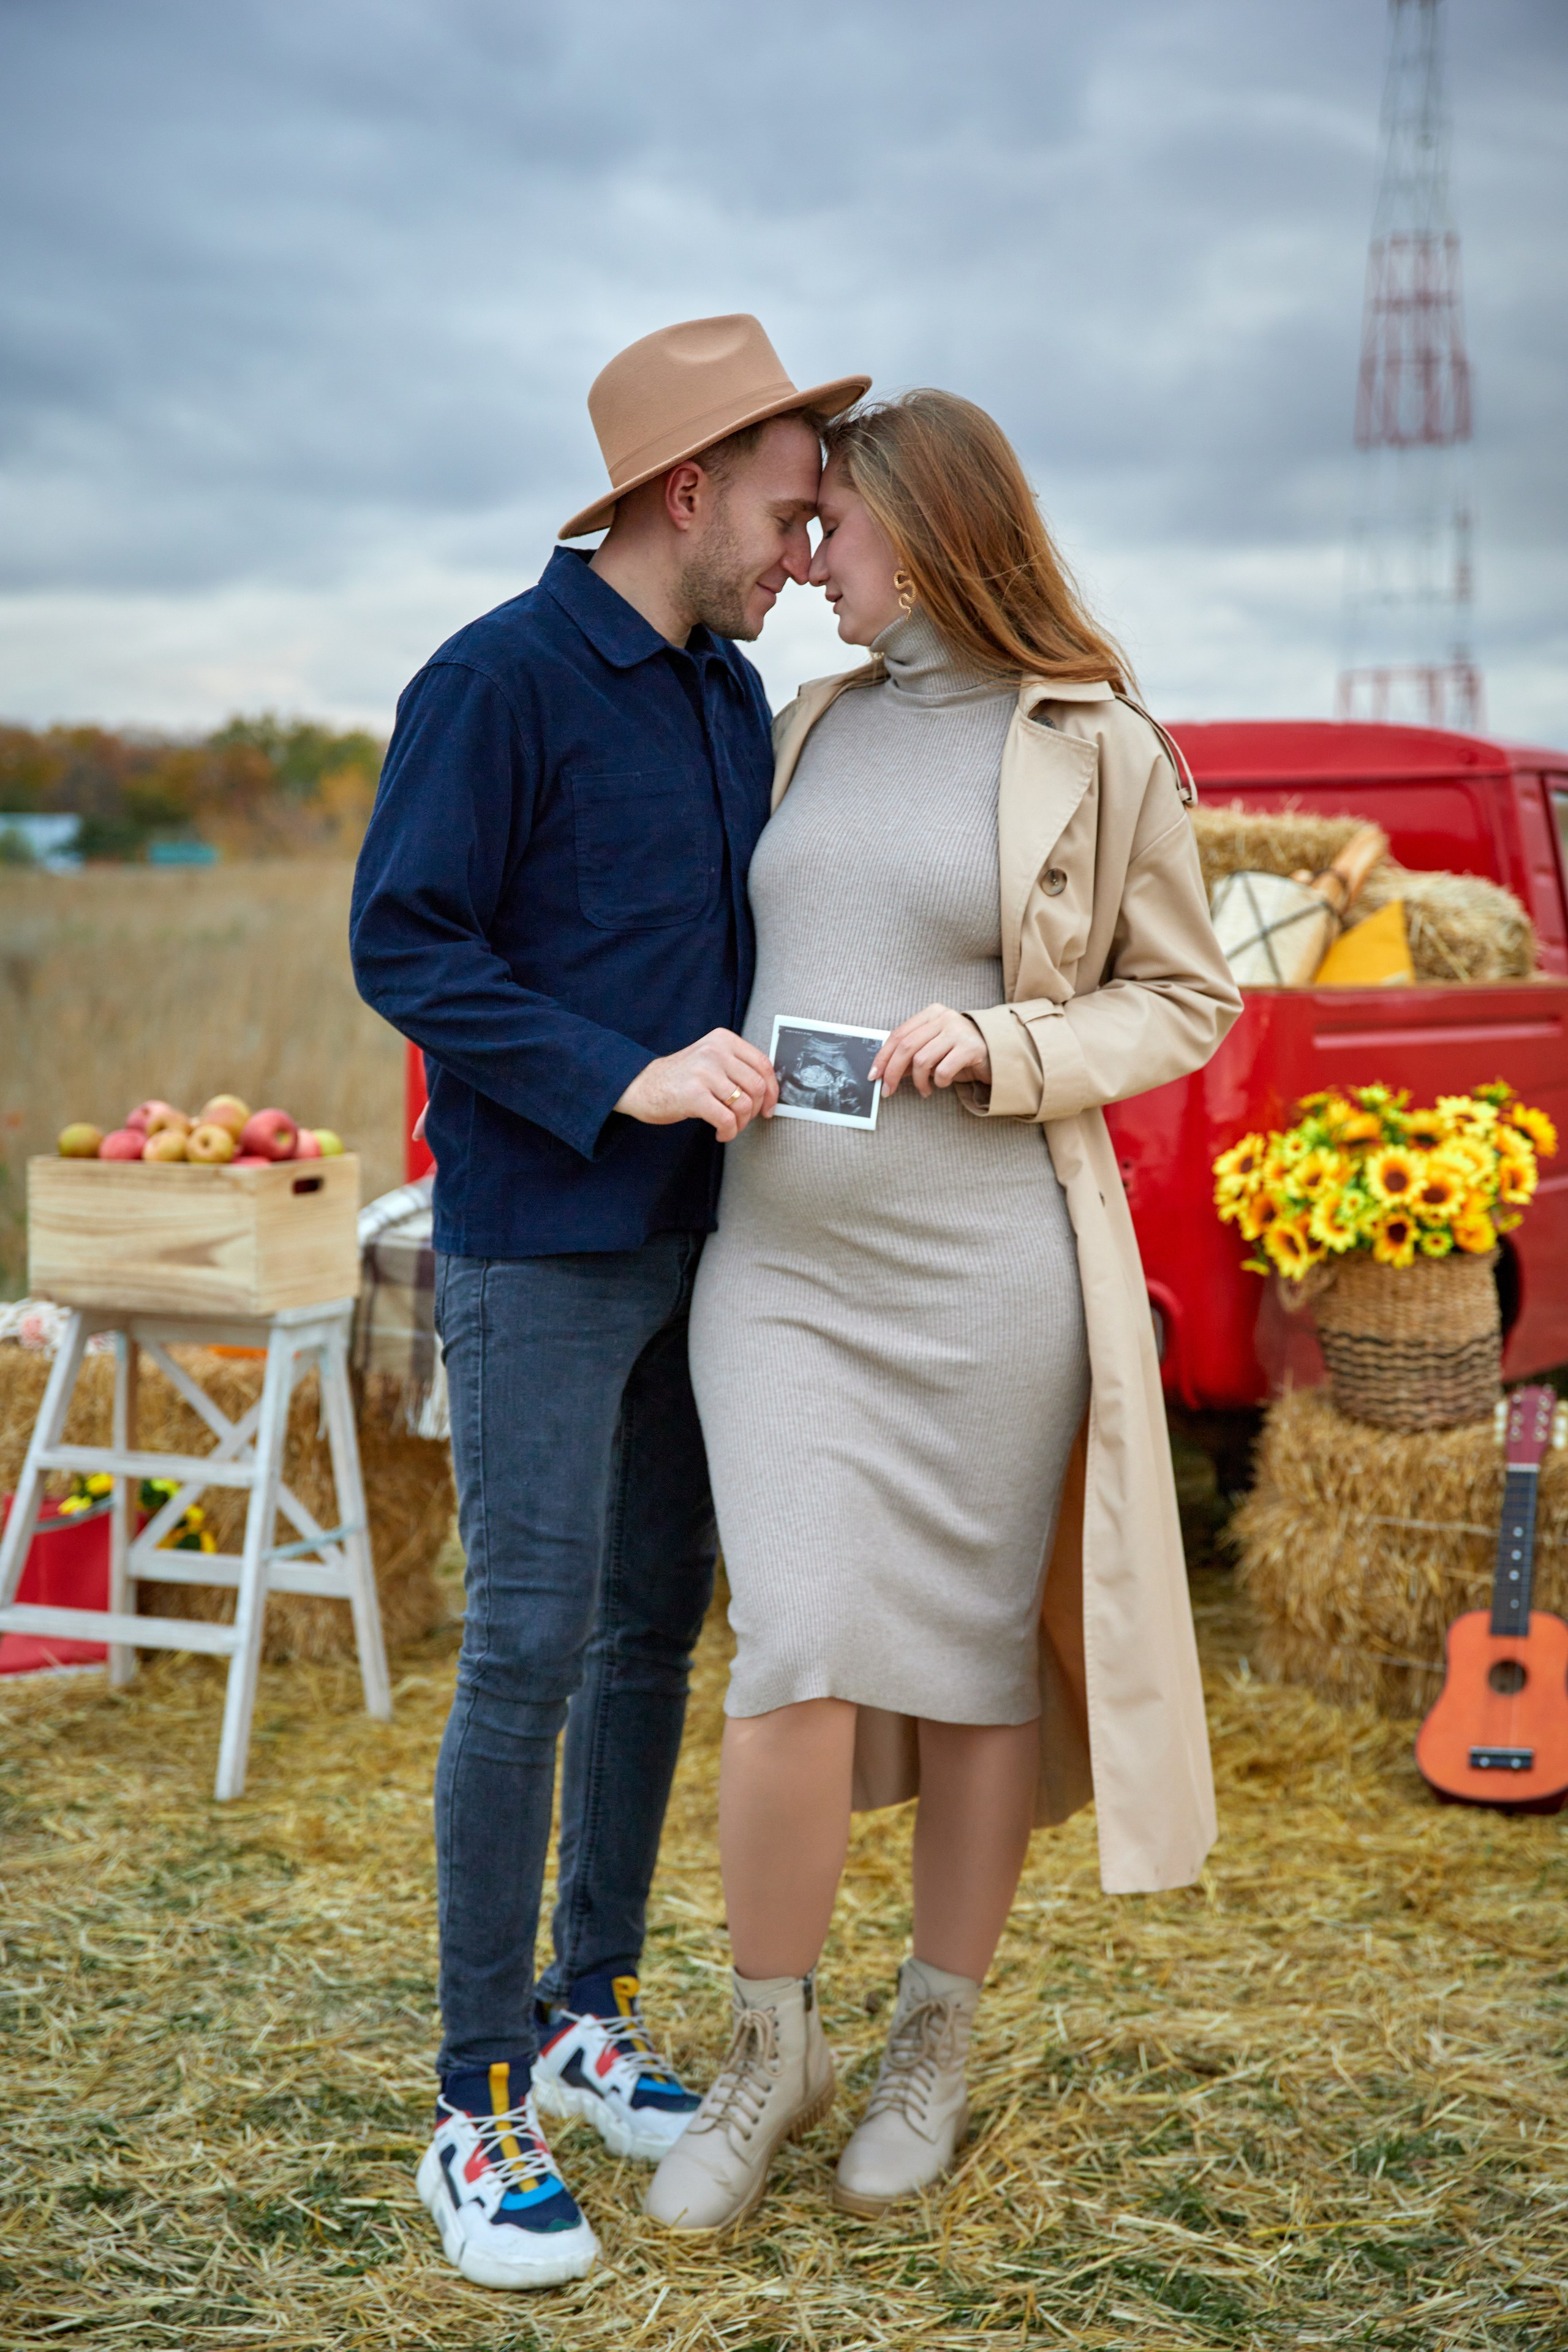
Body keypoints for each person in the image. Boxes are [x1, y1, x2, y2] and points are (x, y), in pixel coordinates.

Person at [644, 390, 1244, 2234]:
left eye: (836, 527)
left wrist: (1009, 1039)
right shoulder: (801, 721)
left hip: (993, 1273)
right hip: (786, 1274)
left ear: (934, 529)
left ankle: (933, 2040)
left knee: (981, 1669)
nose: (806, 555)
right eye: (802, 526)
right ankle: (770, 2051)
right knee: (796, 1644)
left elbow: (1185, 999)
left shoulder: (1099, 744)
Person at [349, 315, 870, 2290]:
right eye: (788, 508)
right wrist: (615, 1069)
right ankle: (476, 2105)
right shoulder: (492, 680)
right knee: (530, 1652)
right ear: (687, 491)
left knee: (657, 1635)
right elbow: (405, 939)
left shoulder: (729, 694)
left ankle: (586, 2014)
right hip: (542, 1243)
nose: (804, 552)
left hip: (711, 1246)